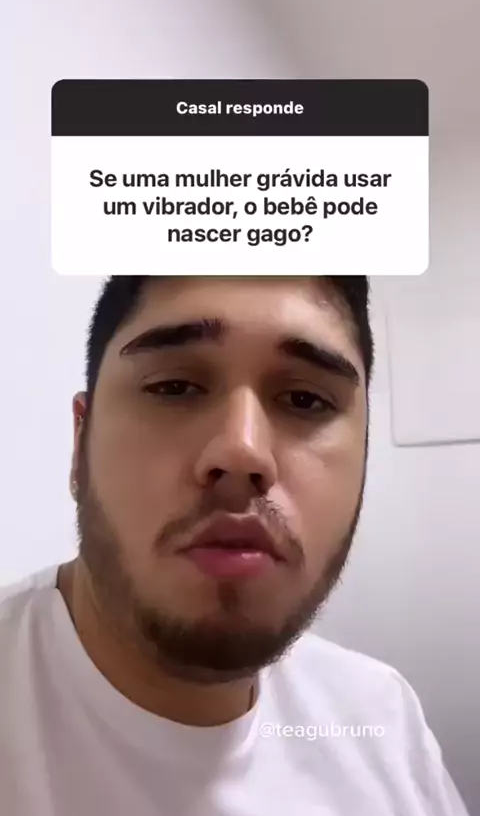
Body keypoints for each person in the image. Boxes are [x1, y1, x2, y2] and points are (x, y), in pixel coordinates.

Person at [0, 276, 469, 815]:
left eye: (305, 399)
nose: (242, 451)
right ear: (80, 443)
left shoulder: (383, 719)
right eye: (174, 387)